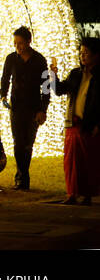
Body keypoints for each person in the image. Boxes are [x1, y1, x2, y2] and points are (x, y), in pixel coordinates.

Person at [46, 37, 100, 205]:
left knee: (88, 161)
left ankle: (86, 195)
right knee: (71, 161)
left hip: (90, 125)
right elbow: (60, 90)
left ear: (96, 55)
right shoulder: (76, 74)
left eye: (86, 53)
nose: (82, 56)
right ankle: (72, 194)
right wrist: (53, 76)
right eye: (81, 53)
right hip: (73, 123)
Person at [0, 27, 50, 191]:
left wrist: (43, 109)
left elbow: (46, 86)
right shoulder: (11, 59)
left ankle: (22, 177)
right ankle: (21, 177)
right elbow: (5, 78)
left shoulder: (39, 60)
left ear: (29, 41)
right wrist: (3, 96)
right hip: (16, 107)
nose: (17, 46)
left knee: (28, 143)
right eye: (15, 43)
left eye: (20, 43)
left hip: (34, 107)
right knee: (18, 142)